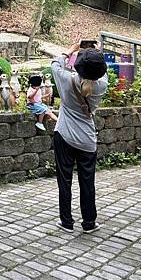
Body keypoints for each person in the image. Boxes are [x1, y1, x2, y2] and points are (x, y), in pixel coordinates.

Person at [51, 42, 108, 233]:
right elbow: (100, 70)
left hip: (64, 136)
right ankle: (89, 223)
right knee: (87, 181)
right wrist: (97, 51)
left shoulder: (66, 79)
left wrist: (71, 49)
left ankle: (66, 222)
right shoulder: (102, 85)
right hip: (87, 140)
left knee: (64, 180)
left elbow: (55, 63)